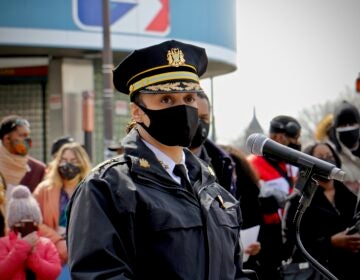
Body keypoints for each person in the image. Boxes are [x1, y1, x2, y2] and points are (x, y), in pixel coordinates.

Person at [67, 40, 253, 279]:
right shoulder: (107, 187)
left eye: (189, 98)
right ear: (137, 111)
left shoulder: (211, 187)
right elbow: (99, 274)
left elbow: (235, 271)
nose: (183, 109)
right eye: (166, 99)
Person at [283, 142, 360, 280]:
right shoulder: (297, 202)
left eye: (330, 156)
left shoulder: (350, 196)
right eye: (321, 157)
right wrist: (330, 243)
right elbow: (290, 246)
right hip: (318, 273)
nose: (327, 160)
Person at [247, 115, 301, 280]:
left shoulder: (292, 163)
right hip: (267, 236)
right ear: (278, 137)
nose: (295, 143)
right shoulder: (253, 164)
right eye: (293, 139)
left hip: (291, 230)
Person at [33, 142, 92, 267]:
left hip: (83, 254)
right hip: (50, 255)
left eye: (73, 160)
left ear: (82, 163)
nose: (68, 164)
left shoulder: (92, 189)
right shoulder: (44, 189)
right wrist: (58, 240)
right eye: (63, 160)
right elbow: (33, 221)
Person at [0, 185, 61, 279]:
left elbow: (54, 272)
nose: (27, 227)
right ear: (13, 224)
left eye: (31, 222)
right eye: (21, 223)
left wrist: (32, 256)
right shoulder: (3, 243)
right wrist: (21, 248)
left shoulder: (46, 244)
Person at [220, 144, 263, 273]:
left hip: (245, 266)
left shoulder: (249, 198)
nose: (231, 175)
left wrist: (257, 247)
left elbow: (259, 231)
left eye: (233, 170)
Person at [189, 91, 236, 194]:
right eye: (194, 117)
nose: (199, 124)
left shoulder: (222, 163)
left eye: (204, 118)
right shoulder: (167, 161)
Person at [0, 115, 46, 194]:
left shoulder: (38, 170)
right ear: (7, 139)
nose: (28, 139)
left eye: (28, 135)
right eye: (22, 136)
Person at [326, 101, 360, 194]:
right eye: (343, 125)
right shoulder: (331, 156)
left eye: (352, 123)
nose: (348, 128)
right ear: (335, 128)